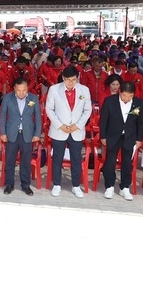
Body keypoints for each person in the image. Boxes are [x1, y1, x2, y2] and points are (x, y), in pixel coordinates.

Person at [45, 66, 92, 198]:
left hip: (76, 130)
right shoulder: (54, 89)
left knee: (76, 159)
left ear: (77, 78)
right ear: (63, 78)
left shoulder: (84, 90)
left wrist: (77, 125)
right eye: (68, 80)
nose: (71, 83)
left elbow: (87, 110)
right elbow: (49, 109)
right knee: (57, 158)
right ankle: (57, 184)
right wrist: (60, 125)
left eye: (73, 80)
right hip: (59, 130)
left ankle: (76, 186)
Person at [99, 81, 143, 200]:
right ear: (120, 92)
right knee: (110, 161)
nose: (127, 98)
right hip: (112, 135)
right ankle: (109, 186)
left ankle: (125, 187)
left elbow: (141, 123)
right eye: (124, 95)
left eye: (130, 96)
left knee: (127, 162)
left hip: (129, 137)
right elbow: (103, 120)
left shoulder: (139, 103)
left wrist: (139, 138)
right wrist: (103, 136)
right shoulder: (109, 101)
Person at [0, 77, 42, 196]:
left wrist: (37, 134)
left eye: (24, 90)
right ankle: (9, 184)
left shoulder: (33, 98)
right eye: (19, 90)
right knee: (10, 160)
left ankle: (25, 185)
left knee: (26, 161)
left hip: (27, 134)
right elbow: (2, 117)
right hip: (11, 134)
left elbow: (38, 117)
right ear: (14, 89)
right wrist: (3, 133)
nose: (22, 93)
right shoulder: (8, 98)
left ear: (27, 88)